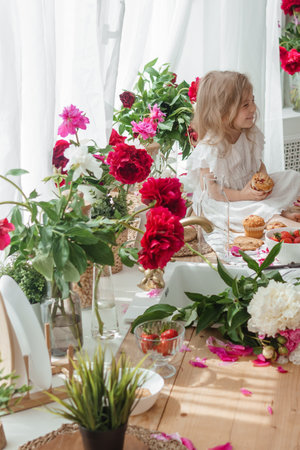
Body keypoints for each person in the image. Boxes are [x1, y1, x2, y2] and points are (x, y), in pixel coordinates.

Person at [185, 70, 300, 237]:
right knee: (257, 210)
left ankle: (280, 211)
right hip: (225, 201)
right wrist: (242, 195)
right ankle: (283, 222)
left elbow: (258, 165)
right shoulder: (210, 148)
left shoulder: (249, 134)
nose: (253, 108)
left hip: (249, 191)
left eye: (252, 101)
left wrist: (263, 180)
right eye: (245, 105)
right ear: (222, 113)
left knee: (292, 177)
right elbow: (213, 192)